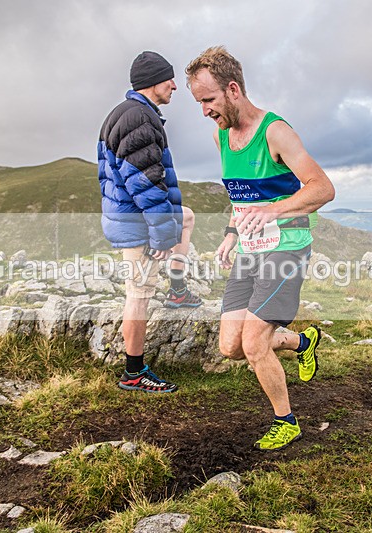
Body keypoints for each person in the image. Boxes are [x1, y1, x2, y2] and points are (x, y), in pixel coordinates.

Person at [186, 46, 336, 450]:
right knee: (231, 346)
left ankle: (286, 421)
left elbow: (323, 188)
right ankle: (302, 343)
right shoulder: (221, 137)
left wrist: (274, 211)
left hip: (287, 248)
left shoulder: (276, 132)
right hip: (251, 249)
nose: (204, 111)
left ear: (233, 89)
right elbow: (241, 199)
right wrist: (232, 233)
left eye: (209, 100)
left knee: (254, 343)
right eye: (198, 103)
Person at [97, 51, 202, 393]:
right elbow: (144, 182)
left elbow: (114, 177)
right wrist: (160, 236)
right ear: (154, 81)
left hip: (133, 217)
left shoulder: (128, 114)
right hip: (140, 224)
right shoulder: (139, 118)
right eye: (169, 79)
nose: (175, 85)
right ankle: (134, 372)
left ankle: (177, 290)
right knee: (138, 296)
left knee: (185, 217)